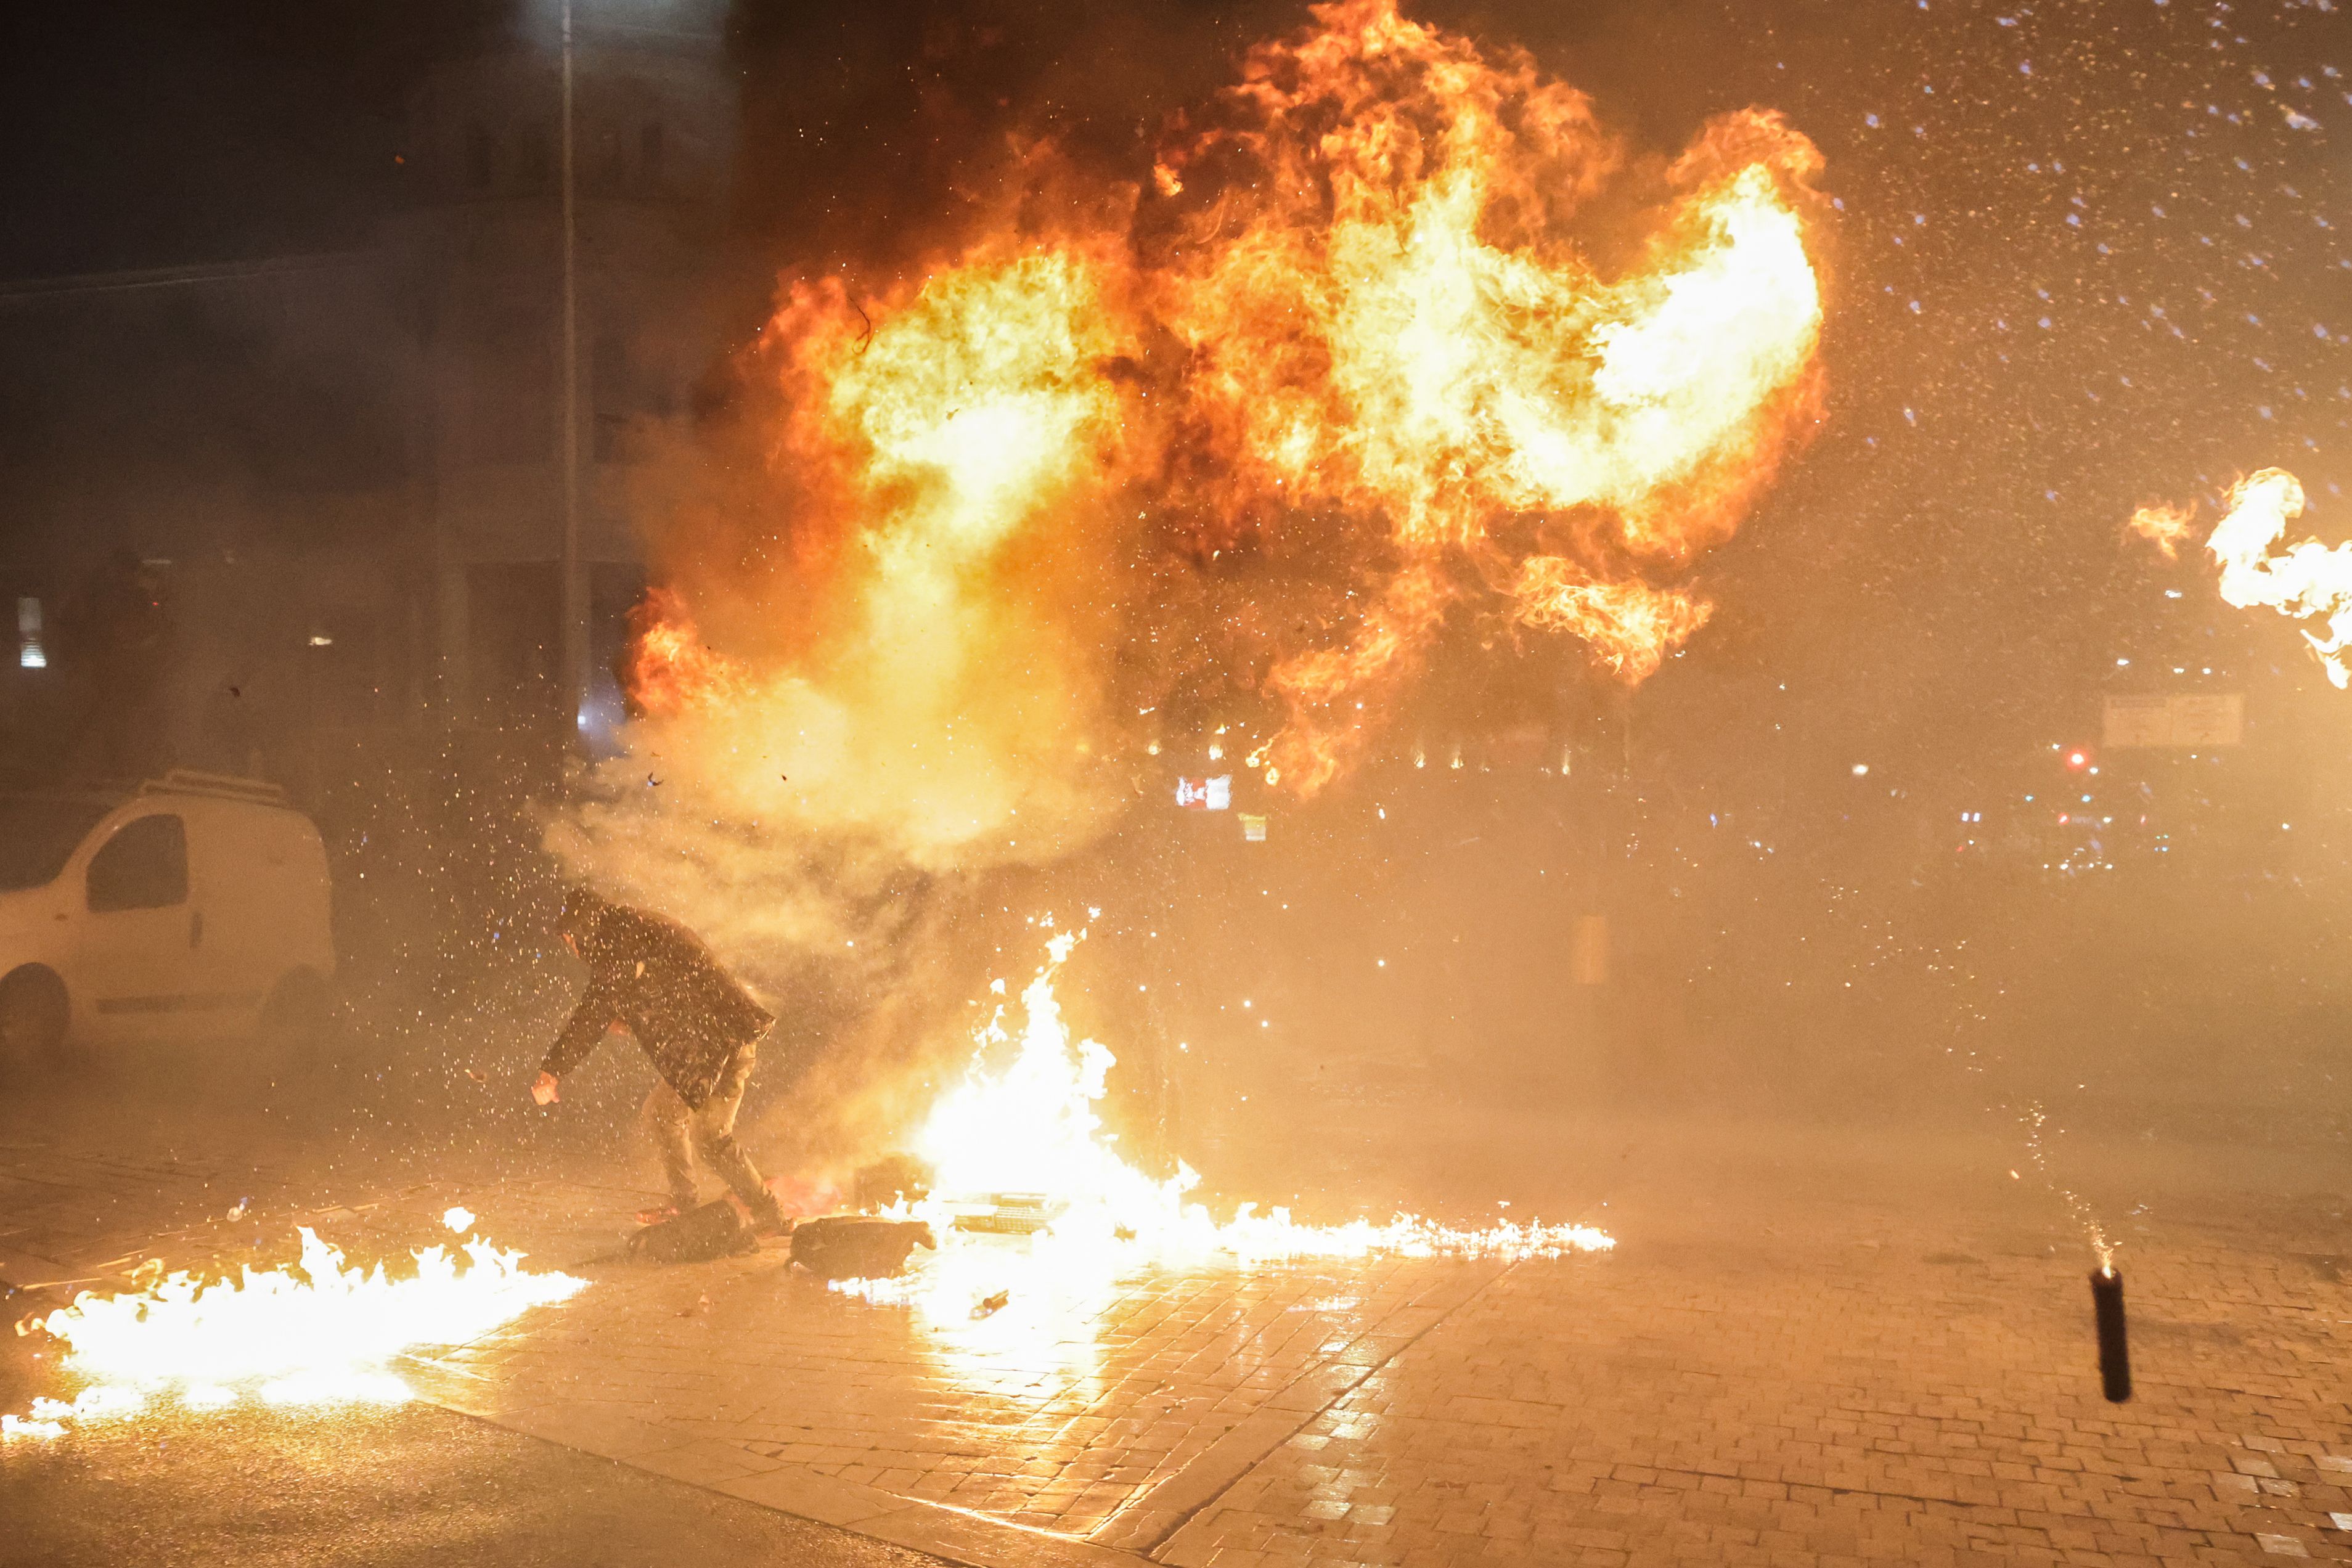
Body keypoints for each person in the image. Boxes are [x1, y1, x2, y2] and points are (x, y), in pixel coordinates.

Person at [534, 886, 785, 1230]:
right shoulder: (629, 929)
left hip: (718, 1045)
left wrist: (552, 1071)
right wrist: (630, 1015)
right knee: (668, 1115)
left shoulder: (617, 940)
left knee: (708, 1136)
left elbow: (595, 1010)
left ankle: (767, 1215)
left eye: (569, 940)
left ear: (580, 931)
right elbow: (666, 985)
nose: (572, 949)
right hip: (710, 1045)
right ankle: (691, 1206)